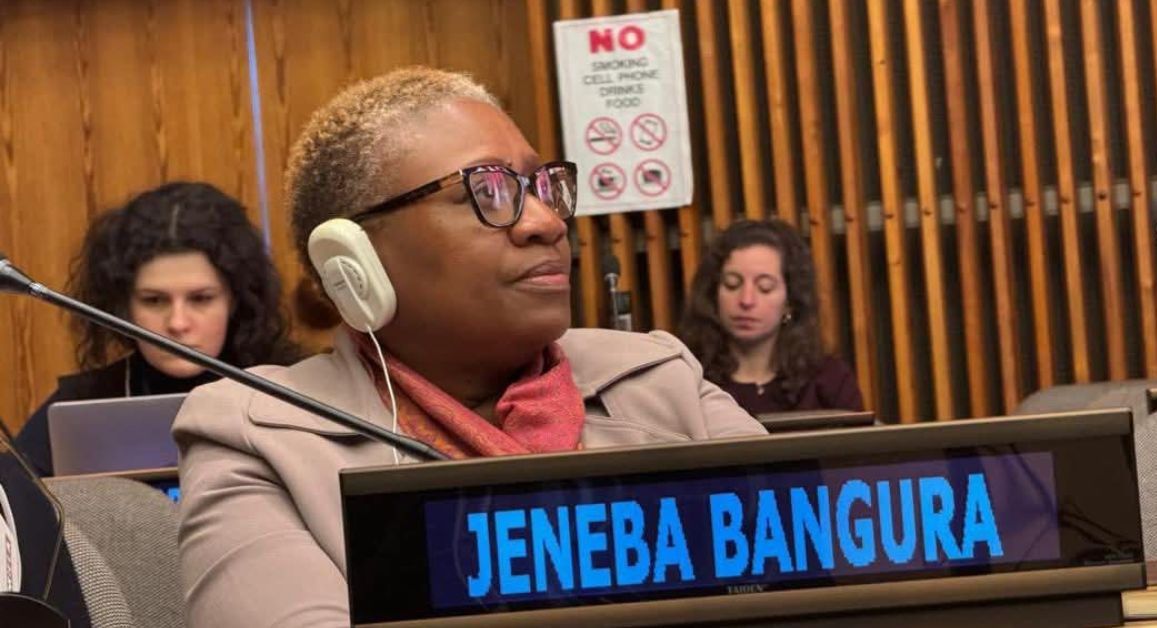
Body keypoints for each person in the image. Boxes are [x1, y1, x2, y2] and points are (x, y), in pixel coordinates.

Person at [172, 66, 766, 627]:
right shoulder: (257, 437)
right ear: (353, 258)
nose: (547, 222)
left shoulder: (663, 378)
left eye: (541, 187)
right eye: (487, 191)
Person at [15, 181, 303, 476]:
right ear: (123, 306)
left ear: (236, 300)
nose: (178, 323)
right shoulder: (81, 405)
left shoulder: (295, 393)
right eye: (153, 300)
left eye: (201, 299)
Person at [678, 220, 863, 415]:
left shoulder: (831, 381)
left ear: (790, 300)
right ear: (713, 293)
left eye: (764, 287)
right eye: (732, 284)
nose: (746, 300)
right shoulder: (685, 378)